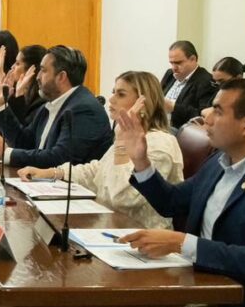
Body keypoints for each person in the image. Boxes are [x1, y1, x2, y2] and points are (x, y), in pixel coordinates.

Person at [117, 78, 245, 307]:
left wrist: (182, 243)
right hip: (205, 293)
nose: (206, 116)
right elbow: (172, 201)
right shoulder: (219, 163)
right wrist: (141, 160)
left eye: (218, 110)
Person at [17, 71, 181, 229]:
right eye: (113, 92)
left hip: (143, 235)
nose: (111, 99)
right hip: (110, 227)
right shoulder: (130, 136)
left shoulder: (161, 144)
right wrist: (52, 173)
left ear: (143, 104)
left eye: (121, 94)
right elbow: (99, 171)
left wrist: (121, 142)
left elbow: (122, 198)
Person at [0, 45, 114, 168]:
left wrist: (8, 154)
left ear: (61, 77)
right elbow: (24, 142)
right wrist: (1, 105)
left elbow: (60, 159)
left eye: (43, 70)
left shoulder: (84, 109)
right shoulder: (50, 105)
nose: (37, 77)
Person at [160, 40, 216, 130]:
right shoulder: (170, 74)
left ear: (193, 59)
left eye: (178, 63)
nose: (174, 68)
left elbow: (202, 116)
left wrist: (173, 107)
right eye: (171, 63)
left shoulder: (206, 81)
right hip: (159, 125)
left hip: (180, 130)